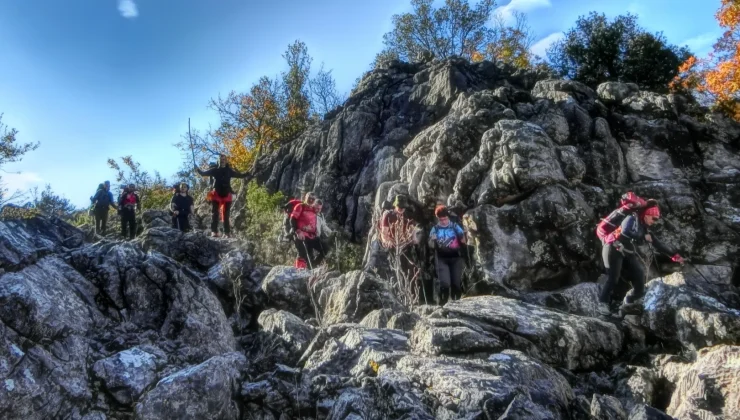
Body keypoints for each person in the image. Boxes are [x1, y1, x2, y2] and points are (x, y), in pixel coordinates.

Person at [598, 203, 685, 316]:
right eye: (654, 218)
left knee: (639, 275)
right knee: (613, 278)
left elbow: (659, 245)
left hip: (627, 252)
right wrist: (642, 237)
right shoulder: (631, 218)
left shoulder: (644, 228)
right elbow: (625, 231)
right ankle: (603, 303)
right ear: (646, 215)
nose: (654, 221)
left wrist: (675, 255)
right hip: (612, 248)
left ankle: (629, 301)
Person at [195, 154, 250, 238]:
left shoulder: (229, 171)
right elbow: (203, 174)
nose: (222, 161)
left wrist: (248, 173)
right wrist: (198, 169)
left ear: (226, 161)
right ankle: (214, 231)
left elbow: (239, 175)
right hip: (216, 194)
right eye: (221, 159)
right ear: (218, 161)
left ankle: (227, 232)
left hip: (226, 194)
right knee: (215, 214)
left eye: (224, 159)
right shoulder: (214, 170)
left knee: (226, 214)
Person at [429, 205, 466, 305]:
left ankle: (458, 305)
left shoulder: (455, 226)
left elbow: (464, 240)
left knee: (456, 284)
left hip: (456, 258)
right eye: (441, 220)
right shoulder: (435, 229)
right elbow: (431, 245)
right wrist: (433, 240)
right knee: (445, 284)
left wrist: (463, 238)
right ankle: (442, 306)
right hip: (442, 259)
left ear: (448, 217)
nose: (444, 221)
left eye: (445, 219)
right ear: (438, 219)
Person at [289, 192, 325, 269]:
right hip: (300, 234)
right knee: (302, 253)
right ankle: (299, 271)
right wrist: (298, 231)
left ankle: (312, 266)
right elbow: (292, 219)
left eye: (313, 199)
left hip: (311, 236)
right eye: (309, 198)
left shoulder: (314, 210)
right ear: (305, 198)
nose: (311, 200)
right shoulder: (300, 206)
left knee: (325, 249)